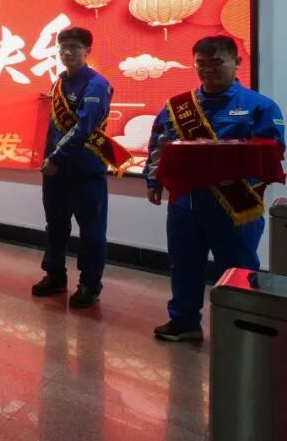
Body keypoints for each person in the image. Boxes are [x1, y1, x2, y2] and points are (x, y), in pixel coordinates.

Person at [145, 35, 285, 342]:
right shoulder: (177, 106)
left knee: (238, 268)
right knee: (184, 264)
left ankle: (241, 328)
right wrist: (153, 181)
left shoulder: (260, 106)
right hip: (185, 204)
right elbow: (159, 145)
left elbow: (272, 152)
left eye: (217, 62)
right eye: (201, 63)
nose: (208, 69)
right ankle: (184, 321)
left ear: (237, 62)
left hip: (236, 205)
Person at [32, 27, 131, 308]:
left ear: (87, 51)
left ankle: (90, 284)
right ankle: (55, 275)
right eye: (63, 47)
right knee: (55, 226)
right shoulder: (59, 83)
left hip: (85, 170)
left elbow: (84, 128)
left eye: (75, 47)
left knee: (91, 231)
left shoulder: (96, 84)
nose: (68, 52)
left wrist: (56, 158)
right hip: (56, 172)